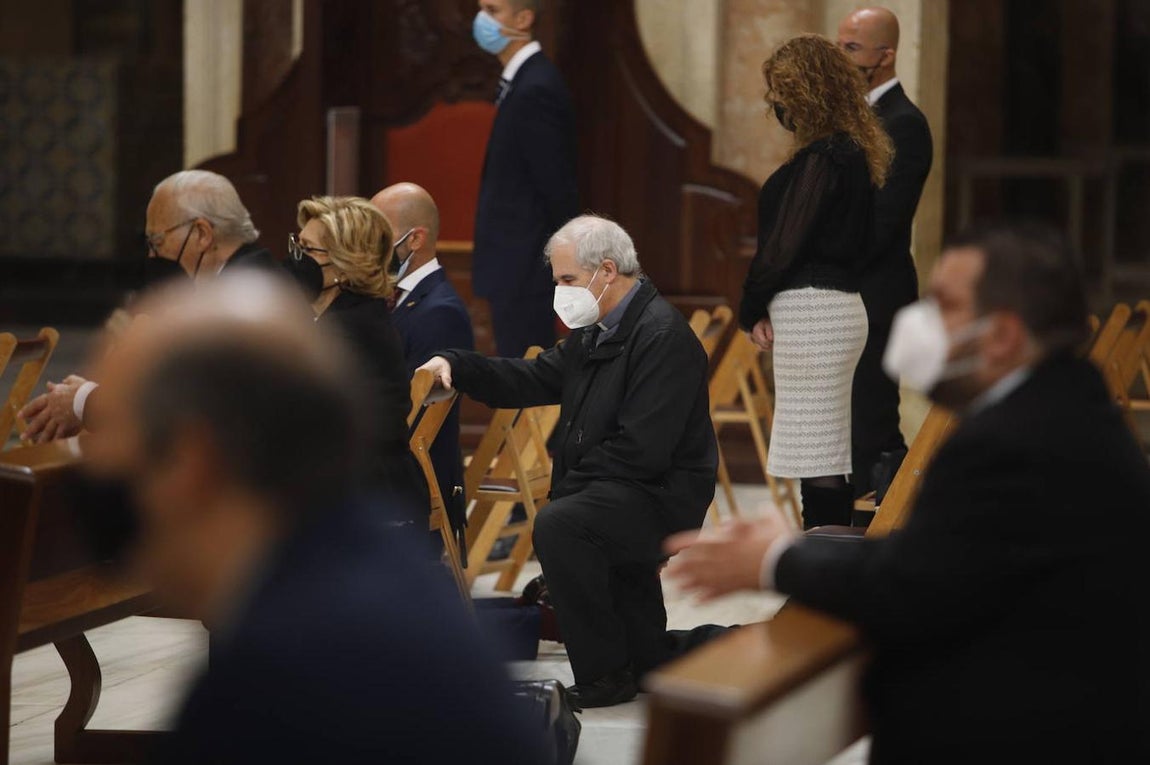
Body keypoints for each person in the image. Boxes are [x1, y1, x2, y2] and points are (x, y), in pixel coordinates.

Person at [667, 223, 1150, 763]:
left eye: (945, 304)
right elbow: (947, 559)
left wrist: (776, 559)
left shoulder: (1010, 441)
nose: (920, 322)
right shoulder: (1071, 409)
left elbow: (911, 586)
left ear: (1004, 335)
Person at [79, 273, 551, 765]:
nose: (100, 494)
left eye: (114, 458)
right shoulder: (364, 560)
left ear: (192, 459)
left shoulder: (277, 673)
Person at [419, 215, 716, 708]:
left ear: (606, 270)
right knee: (650, 661)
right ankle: (711, 649)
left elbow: (642, 448)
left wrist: (571, 489)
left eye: (567, 280)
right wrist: (456, 363)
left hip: (659, 493)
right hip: (619, 487)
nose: (559, 292)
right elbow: (531, 377)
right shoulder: (599, 331)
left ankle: (603, 677)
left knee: (563, 524)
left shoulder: (661, 335)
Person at [739, 35, 892, 528]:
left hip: (813, 311)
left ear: (806, 92)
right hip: (837, 308)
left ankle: (819, 584)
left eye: (781, 92)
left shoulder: (824, 158)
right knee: (825, 454)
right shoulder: (852, 153)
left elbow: (784, 246)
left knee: (818, 460)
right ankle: (827, 573)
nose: (776, 104)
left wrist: (750, 306)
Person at [19, 170, 277, 444]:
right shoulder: (251, 278)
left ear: (202, 234)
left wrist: (83, 402)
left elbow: (188, 412)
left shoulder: (240, 301)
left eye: (157, 242)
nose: (152, 256)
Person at [837, 7, 934, 501]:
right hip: (848, 292)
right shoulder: (853, 118)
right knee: (847, 424)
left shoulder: (904, 123)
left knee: (872, 420)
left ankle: (886, 526)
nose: (841, 58)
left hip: (877, 291)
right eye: (840, 46)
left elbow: (882, 222)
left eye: (851, 48)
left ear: (886, 55)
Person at [286, 196, 425, 517]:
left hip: (369, 498)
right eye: (297, 245)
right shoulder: (333, 318)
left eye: (307, 251)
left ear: (346, 264)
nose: (296, 260)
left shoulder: (349, 330)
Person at [472, 0, 579, 357]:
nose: (482, 20)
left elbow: (554, 186)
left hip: (525, 266)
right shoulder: (523, 81)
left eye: (492, 9)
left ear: (524, 18)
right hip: (515, 263)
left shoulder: (536, 87)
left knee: (525, 378)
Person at [370, 183, 475, 540]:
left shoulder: (439, 311)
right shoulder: (389, 297)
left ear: (414, 240)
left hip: (414, 477)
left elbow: (411, 418)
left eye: (377, 233)